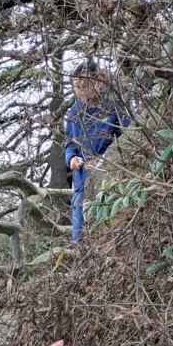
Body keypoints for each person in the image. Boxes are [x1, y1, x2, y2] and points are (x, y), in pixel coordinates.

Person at [65, 62, 132, 242]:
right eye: (77, 87)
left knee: (105, 234)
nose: (80, 92)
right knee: (79, 237)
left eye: (85, 86)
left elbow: (130, 139)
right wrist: (71, 158)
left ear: (99, 81)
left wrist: (105, 159)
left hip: (109, 179)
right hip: (81, 180)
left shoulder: (115, 104)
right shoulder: (75, 111)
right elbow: (69, 144)